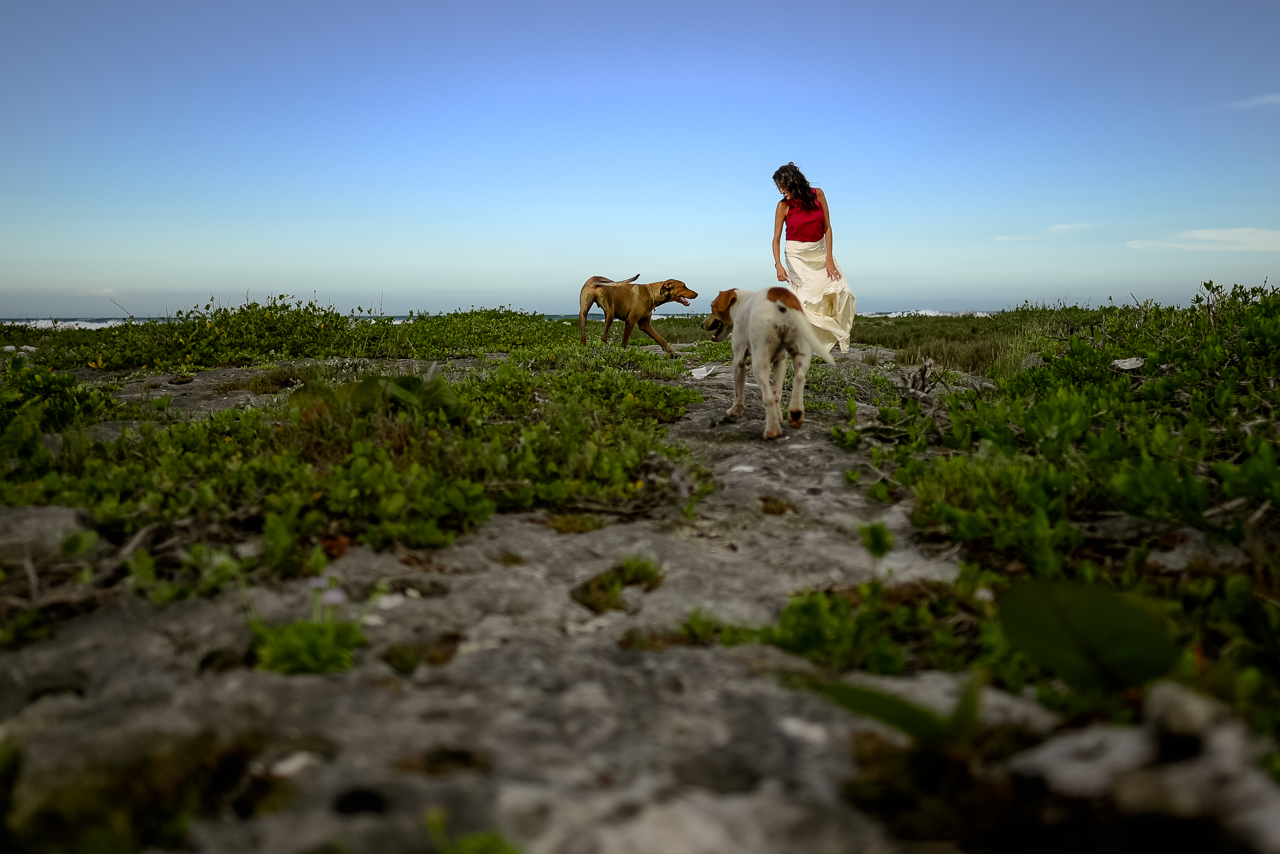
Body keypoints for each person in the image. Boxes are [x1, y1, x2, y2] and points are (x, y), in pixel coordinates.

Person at [771, 162, 856, 354]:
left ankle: (830, 335)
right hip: (796, 255)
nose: (781, 191)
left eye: (782, 187)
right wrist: (778, 265)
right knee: (807, 300)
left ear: (793, 182)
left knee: (841, 290)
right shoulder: (783, 206)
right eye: (778, 188)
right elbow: (776, 239)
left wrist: (829, 259)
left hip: (819, 251)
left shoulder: (818, 194)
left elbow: (827, 227)